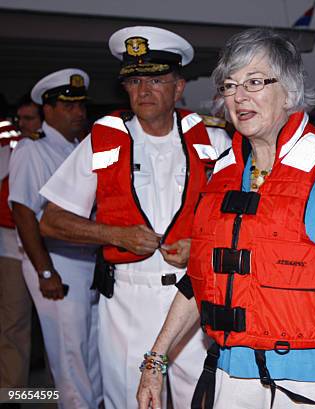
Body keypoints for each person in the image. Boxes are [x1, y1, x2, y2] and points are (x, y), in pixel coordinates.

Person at [136, 28, 315, 409]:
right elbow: (199, 278)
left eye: (255, 82)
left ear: (289, 91)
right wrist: (155, 359)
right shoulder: (222, 173)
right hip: (232, 378)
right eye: (230, 86)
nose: (239, 97)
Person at [39, 26, 231, 409]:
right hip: (129, 300)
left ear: (178, 87)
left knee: (206, 400)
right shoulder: (103, 139)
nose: (144, 90)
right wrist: (116, 234)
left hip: (193, 297)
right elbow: (51, 220)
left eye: (156, 80)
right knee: (131, 402)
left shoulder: (215, 140)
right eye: (135, 80)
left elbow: (241, 220)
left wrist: (202, 245)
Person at [8, 68, 102, 408]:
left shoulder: (78, 147)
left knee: (90, 351)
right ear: (47, 109)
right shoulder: (33, 150)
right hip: (56, 262)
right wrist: (45, 272)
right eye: (68, 106)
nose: (78, 113)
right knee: (69, 352)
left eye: (81, 106)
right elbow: (23, 212)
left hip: (85, 262)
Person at [0, 119, 31, 400]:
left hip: (51, 249)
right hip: (11, 246)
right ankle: (12, 395)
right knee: (13, 324)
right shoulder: (8, 147)